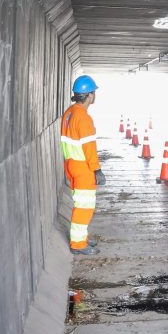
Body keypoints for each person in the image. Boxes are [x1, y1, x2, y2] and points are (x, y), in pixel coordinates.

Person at [60, 75, 106, 255]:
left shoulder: (69, 113)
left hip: (71, 164)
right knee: (85, 206)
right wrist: (97, 170)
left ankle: (81, 238)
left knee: (81, 203)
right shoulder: (84, 117)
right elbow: (89, 148)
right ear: (90, 95)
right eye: (93, 93)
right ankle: (78, 245)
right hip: (83, 167)